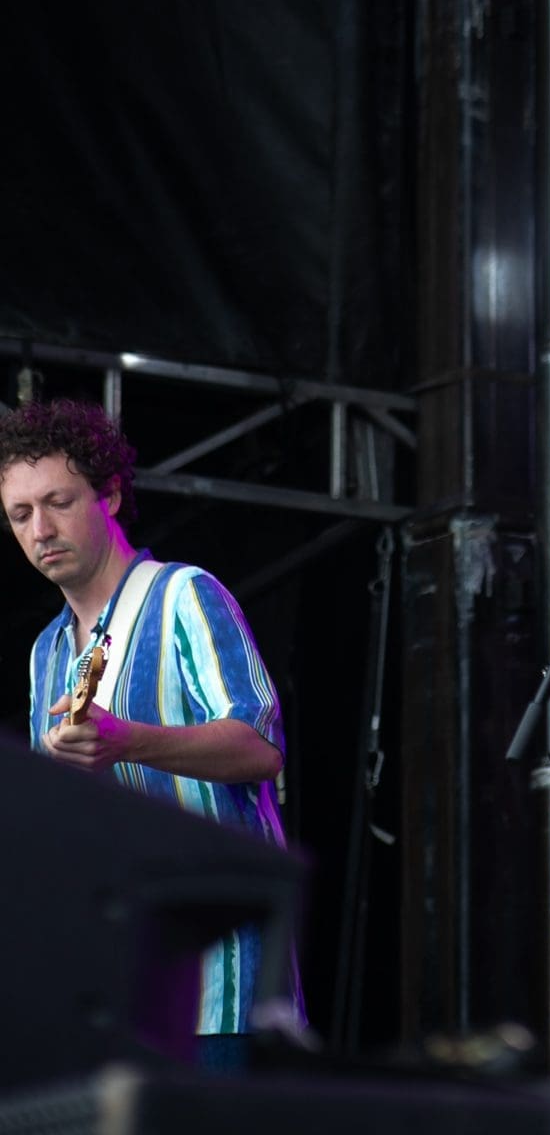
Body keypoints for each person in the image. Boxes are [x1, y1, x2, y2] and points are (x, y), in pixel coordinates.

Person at [0, 396, 305, 1053]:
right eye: (20, 514)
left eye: (58, 501)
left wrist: (128, 741)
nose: (40, 529)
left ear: (108, 494)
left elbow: (259, 748)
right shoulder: (47, 650)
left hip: (220, 992)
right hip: (107, 993)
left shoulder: (183, 593)